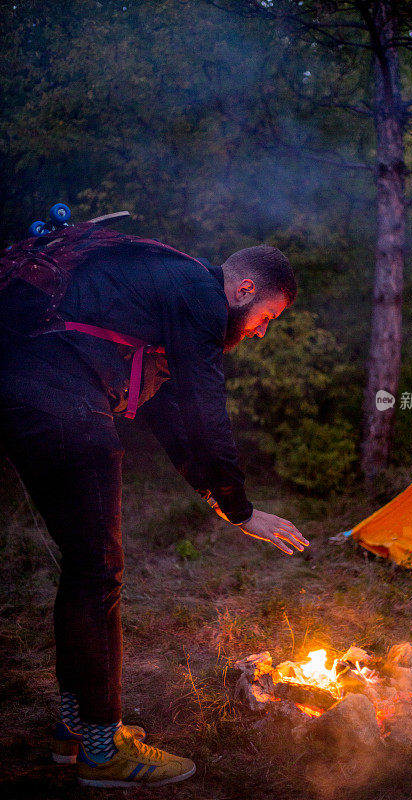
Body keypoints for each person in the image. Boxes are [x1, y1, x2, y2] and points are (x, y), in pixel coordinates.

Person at [0, 237, 309, 788]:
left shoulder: (170, 297)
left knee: (85, 570)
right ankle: (102, 748)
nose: (263, 331)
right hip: (59, 399)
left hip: (27, 390)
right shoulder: (199, 294)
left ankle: (75, 732)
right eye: (267, 317)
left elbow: (167, 410)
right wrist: (242, 510)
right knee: (97, 573)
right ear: (244, 289)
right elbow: (204, 404)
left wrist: (214, 495)